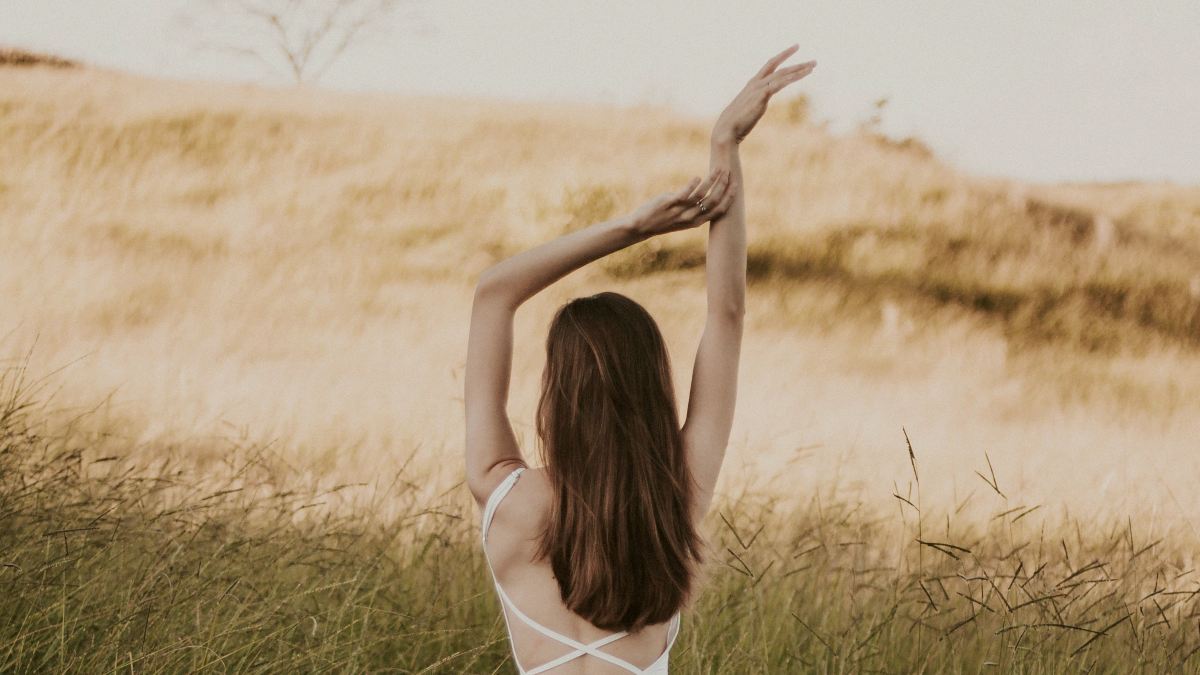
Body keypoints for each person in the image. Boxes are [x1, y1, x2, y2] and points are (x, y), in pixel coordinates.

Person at [464, 44, 816, 674]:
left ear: (556, 393)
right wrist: (723, 147)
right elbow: (726, 316)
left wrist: (633, 227)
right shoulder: (675, 499)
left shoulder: (506, 498)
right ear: (654, 384)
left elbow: (494, 295)